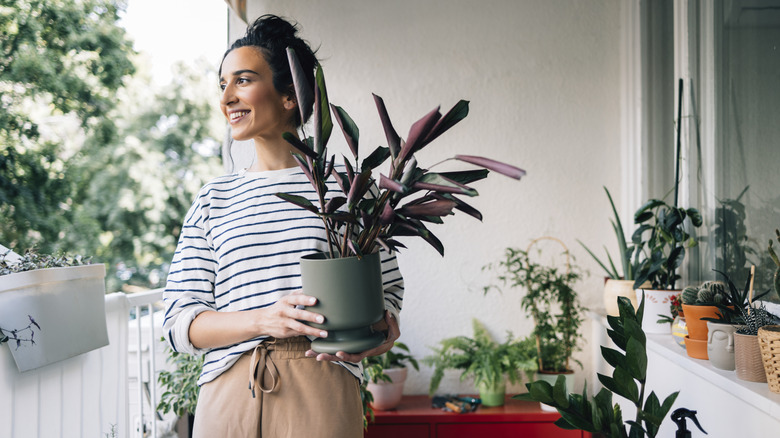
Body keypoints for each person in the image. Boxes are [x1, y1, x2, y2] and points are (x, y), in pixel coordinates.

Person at [162, 14, 404, 438]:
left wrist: (383, 329)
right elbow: (180, 324)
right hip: (229, 389)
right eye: (222, 85)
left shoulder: (349, 190)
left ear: (289, 95)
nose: (227, 98)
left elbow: (386, 296)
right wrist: (261, 321)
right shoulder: (213, 200)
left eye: (242, 80)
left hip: (322, 384)